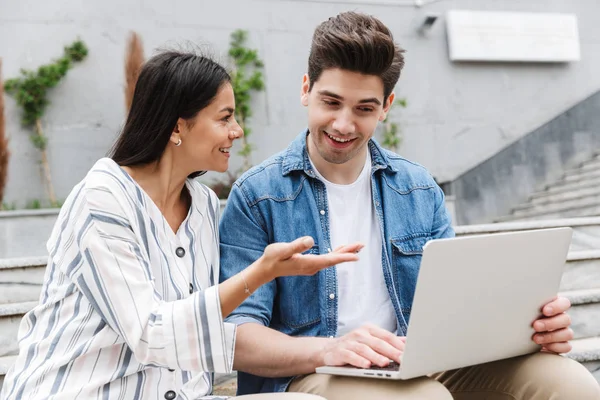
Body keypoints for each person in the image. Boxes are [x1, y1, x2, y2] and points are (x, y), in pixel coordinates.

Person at [219, 11, 600, 400]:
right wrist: (330, 349)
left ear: (386, 106)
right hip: (314, 369)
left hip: (415, 361)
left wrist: (531, 328)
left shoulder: (418, 188)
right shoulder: (257, 195)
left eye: (364, 109)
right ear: (306, 89)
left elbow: (458, 305)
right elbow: (238, 338)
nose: (344, 124)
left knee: (573, 385)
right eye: (331, 102)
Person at [0, 50, 360, 400]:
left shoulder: (202, 205)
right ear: (177, 126)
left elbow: (202, 332)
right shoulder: (101, 200)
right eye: (224, 118)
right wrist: (261, 273)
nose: (237, 131)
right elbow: (151, 334)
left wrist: (330, 351)